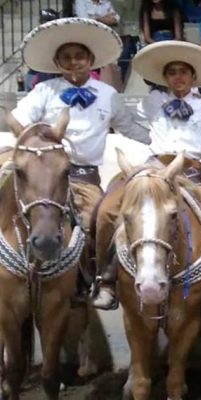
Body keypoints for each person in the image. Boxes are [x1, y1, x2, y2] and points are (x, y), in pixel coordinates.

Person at [92, 40, 201, 309]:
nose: (178, 77)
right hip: (153, 170)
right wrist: (147, 141)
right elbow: (134, 126)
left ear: (194, 77)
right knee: (107, 209)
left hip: (189, 173)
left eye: (184, 72)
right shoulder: (153, 101)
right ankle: (106, 278)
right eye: (172, 72)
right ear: (164, 78)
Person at [5, 18, 151, 306]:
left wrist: (163, 143)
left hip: (84, 177)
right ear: (57, 63)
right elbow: (19, 122)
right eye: (67, 58)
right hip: (45, 175)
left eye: (80, 57)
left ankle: (97, 278)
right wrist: (42, 138)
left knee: (101, 219)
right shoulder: (45, 91)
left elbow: (130, 128)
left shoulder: (108, 95)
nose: (74, 63)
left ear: (91, 60)